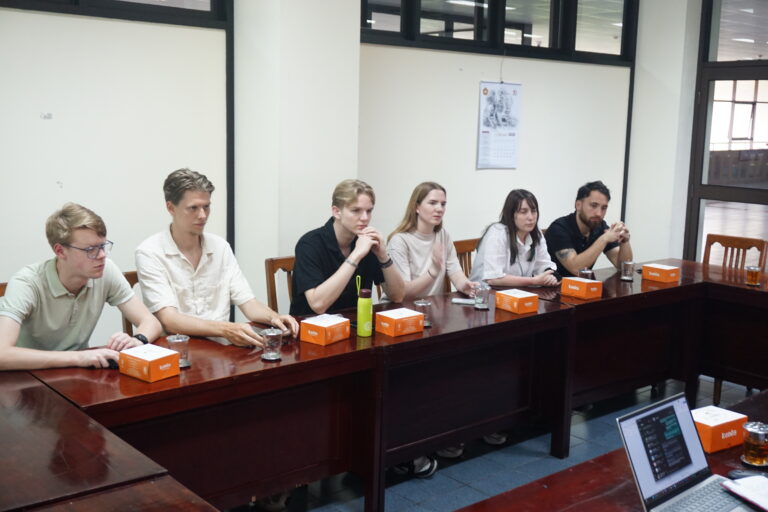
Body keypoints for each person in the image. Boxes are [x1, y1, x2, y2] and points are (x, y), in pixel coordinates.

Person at [135, 168, 298, 346]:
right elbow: (169, 320)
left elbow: (248, 303)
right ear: (171, 208)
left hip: (222, 350)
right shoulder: (149, 252)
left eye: (206, 206)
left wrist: (274, 318)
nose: (203, 215)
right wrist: (226, 329)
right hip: (176, 351)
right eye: (193, 208)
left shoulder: (220, 247)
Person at [0, 203, 161, 370]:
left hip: (78, 372)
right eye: (91, 249)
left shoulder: (106, 270)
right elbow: (2, 354)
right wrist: (78, 357)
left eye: (103, 246)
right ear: (60, 251)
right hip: (27, 375)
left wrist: (137, 340)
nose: (102, 255)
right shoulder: (27, 283)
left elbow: (151, 322)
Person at [290, 179, 406, 316]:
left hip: (355, 323)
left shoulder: (367, 241)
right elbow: (318, 305)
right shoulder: (309, 244)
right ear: (336, 212)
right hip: (311, 325)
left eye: (369, 211)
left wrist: (383, 256)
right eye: (356, 210)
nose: (365, 218)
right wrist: (356, 255)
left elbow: (398, 296)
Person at [387, 182, 476, 300]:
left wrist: (464, 285)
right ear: (416, 207)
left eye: (443, 204)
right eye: (432, 203)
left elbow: (455, 271)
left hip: (431, 305)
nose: (440, 209)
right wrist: (432, 272)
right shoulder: (399, 241)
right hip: (402, 307)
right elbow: (402, 293)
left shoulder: (443, 235)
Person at [470, 189, 558, 287]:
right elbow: (493, 279)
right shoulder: (498, 233)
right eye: (523, 212)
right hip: (484, 292)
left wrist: (550, 275)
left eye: (533, 211)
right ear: (511, 215)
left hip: (518, 291)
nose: (531, 217)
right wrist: (533, 281)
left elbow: (544, 264)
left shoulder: (536, 233)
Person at [545, 180, 633, 277]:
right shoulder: (558, 228)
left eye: (604, 208)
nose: (599, 213)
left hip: (584, 284)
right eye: (593, 205)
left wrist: (625, 241)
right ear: (578, 205)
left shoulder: (601, 227)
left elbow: (623, 267)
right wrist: (604, 239)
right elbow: (576, 269)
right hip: (554, 285)